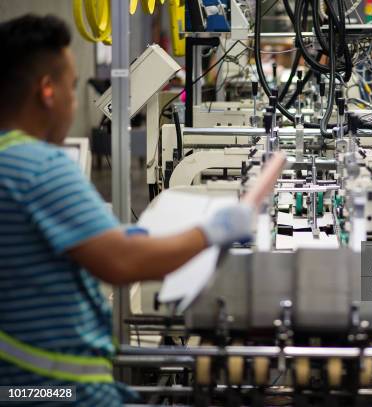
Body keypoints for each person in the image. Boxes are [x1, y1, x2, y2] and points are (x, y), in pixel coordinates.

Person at [0, 15, 255, 405]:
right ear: (47, 92)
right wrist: (210, 232)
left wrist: (133, 237)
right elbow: (122, 262)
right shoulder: (39, 167)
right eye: (72, 89)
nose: (74, 102)